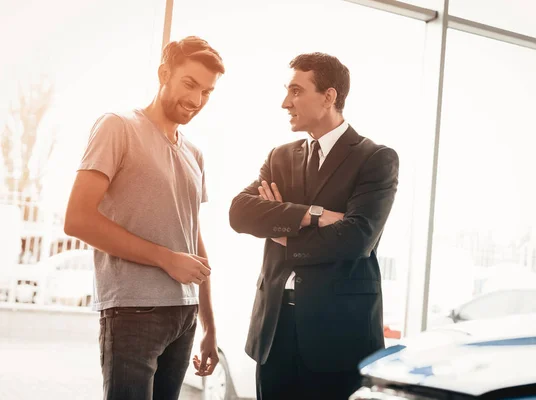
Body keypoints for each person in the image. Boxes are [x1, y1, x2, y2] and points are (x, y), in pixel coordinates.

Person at [229, 52, 399, 400]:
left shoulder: (375, 158)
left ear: (329, 96)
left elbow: (356, 238)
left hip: (338, 337)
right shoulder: (280, 156)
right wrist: (314, 215)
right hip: (274, 332)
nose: (284, 103)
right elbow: (240, 213)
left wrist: (282, 229)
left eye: (296, 91)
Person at [64, 36, 225, 400]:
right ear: (163, 73)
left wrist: (209, 326)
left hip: (184, 314)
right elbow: (77, 219)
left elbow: (193, 238)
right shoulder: (117, 126)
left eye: (207, 92)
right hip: (133, 310)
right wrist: (167, 259)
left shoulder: (195, 153)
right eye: (189, 84)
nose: (196, 100)